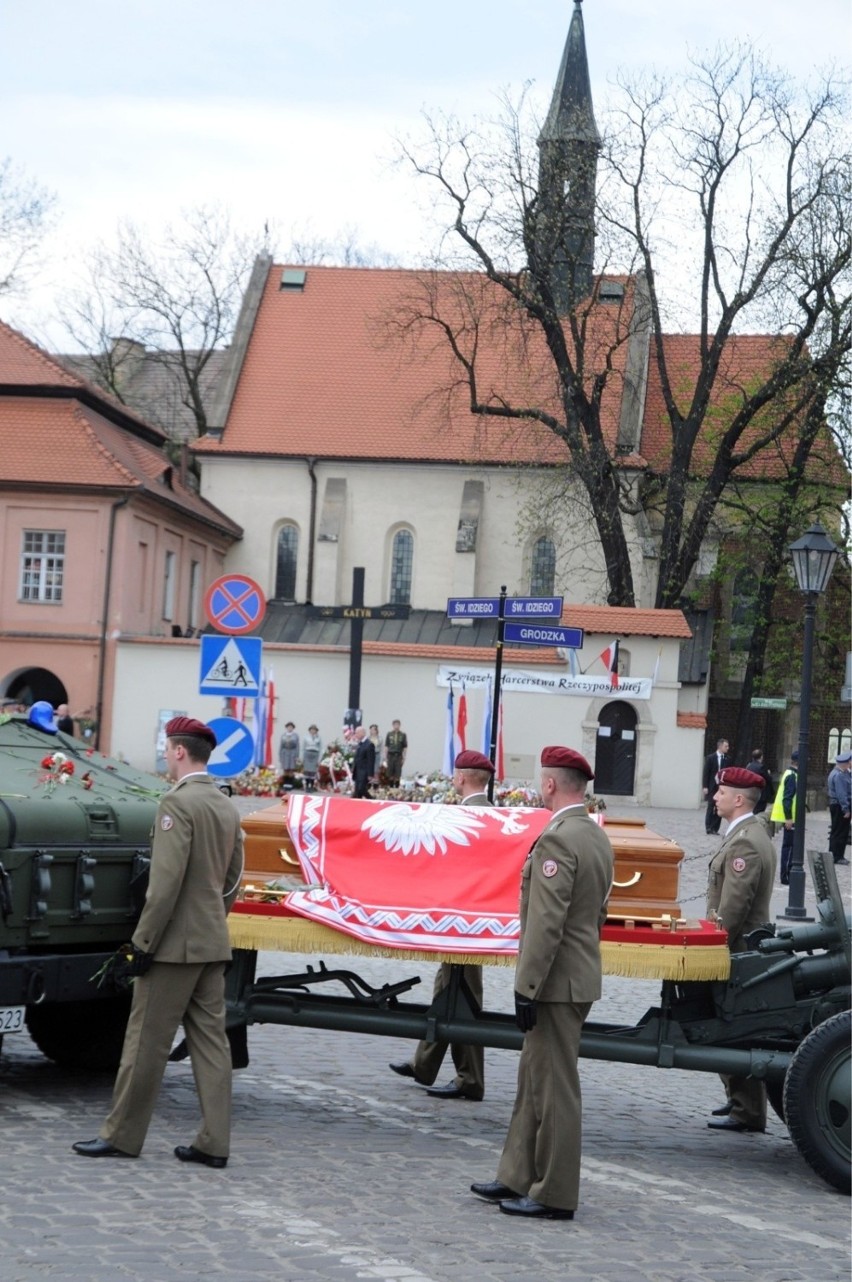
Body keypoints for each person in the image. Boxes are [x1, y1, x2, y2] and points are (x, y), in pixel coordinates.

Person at [72, 716, 244, 1167]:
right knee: (211, 1044)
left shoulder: (176, 803)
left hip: (172, 946)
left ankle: (122, 1136)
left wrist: (141, 944)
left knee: (145, 1042)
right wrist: (212, 920)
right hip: (211, 940)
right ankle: (215, 1142)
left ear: (180, 752)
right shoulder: (226, 806)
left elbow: (163, 885)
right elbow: (233, 880)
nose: (166, 757)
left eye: (168, 749)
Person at [470, 746, 613, 1221]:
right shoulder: (593, 835)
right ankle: (516, 1174)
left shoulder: (559, 839)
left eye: (540, 779)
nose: (537, 786)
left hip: (553, 983)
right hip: (573, 977)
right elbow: (597, 915)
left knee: (554, 1090)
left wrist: (525, 986)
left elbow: (546, 924)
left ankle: (554, 1193)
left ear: (551, 784)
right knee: (533, 1080)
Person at [390, 750, 494, 1100]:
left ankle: (471, 1080)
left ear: (462, 778)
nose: (453, 779)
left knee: (462, 996)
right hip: (472, 920)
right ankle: (425, 1064)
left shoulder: (465, 815)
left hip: (462, 921)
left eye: (454, 774)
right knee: (447, 990)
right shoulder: (494, 815)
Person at [705, 766, 776, 1133]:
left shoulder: (745, 841)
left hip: (738, 950)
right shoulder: (746, 833)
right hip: (740, 948)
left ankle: (747, 1110)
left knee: (732, 1027)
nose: (714, 797)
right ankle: (742, 1104)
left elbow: (733, 907)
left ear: (738, 799)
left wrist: (712, 947)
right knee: (733, 1027)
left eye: (721, 792)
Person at [770, 749, 798, 885]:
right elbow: (787, 799)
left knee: (791, 846)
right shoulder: (792, 775)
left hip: (791, 817)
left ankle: (788, 873)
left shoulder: (790, 773)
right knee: (789, 847)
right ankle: (786, 875)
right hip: (790, 817)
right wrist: (788, 817)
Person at [827, 750, 851, 867]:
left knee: (836, 830)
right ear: (845, 763)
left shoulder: (837, 773)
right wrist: (846, 809)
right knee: (841, 832)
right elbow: (842, 794)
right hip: (839, 806)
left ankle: (834, 854)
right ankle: (837, 856)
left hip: (836, 805)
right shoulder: (840, 775)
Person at [702, 738, 731, 834]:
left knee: (720, 807)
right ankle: (708, 827)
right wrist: (705, 786)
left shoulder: (727, 759)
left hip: (721, 786)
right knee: (711, 806)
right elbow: (706, 772)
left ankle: (715, 828)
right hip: (712, 786)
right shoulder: (711, 758)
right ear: (720, 746)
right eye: (726, 746)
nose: (728, 748)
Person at [746, 748, 773, 815]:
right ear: (761, 757)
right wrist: (768, 774)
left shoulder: (749, 766)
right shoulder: (761, 767)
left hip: (751, 792)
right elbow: (768, 779)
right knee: (760, 812)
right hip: (761, 793)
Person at [352, 726, 376, 798]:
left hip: (364, 771)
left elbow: (371, 760)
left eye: (357, 733)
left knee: (361, 789)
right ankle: (357, 804)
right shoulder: (360, 744)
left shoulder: (369, 744)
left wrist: (370, 774)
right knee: (357, 791)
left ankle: (371, 799)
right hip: (357, 771)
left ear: (362, 733)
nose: (355, 735)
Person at [383, 720, 408, 786]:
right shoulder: (389, 734)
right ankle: (391, 787)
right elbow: (386, 746)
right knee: (390, 772)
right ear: (393, 725)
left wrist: (404, 757)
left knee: (398, 772)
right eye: (395, 725)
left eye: (398, 725)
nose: (396, 726)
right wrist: (385, 757)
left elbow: (405, 747)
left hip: (398, 756)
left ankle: (396, 788)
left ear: (399, 725)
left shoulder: (403, 735)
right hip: (390, 755)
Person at [301, 725, 323, 791]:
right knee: (307, 771)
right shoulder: (306, 737)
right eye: (312, 729)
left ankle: (312, 786)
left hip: (315, 754)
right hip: (307, 753)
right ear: (309, 730)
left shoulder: (318, 738)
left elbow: (320, 748)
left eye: (314, 730)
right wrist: (302, 758)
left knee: (313, 772)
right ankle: (307, 786)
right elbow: (303, 748)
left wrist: (319, 759)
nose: (313, 731)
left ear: (316, 731)